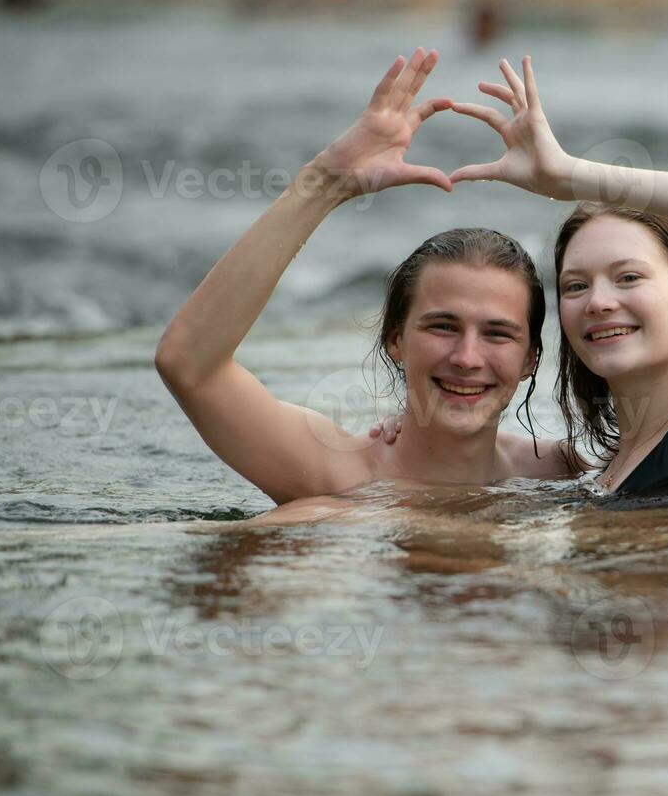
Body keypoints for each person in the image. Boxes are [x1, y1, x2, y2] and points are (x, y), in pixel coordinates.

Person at [156, 48, 569, 507]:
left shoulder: (560, 473)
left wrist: (574, 178)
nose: (467, 357)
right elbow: (188, 364)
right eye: (443, 326)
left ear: (531, 357)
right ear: (396, 339)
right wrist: (325, 183)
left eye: (497, 333)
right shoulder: (337, 475)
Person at [379, 56, 668, 495]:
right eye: (576, 286)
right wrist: (418, 429)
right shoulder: (599, 471)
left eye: (629, 278)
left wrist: (569, 176)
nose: (598, 302)